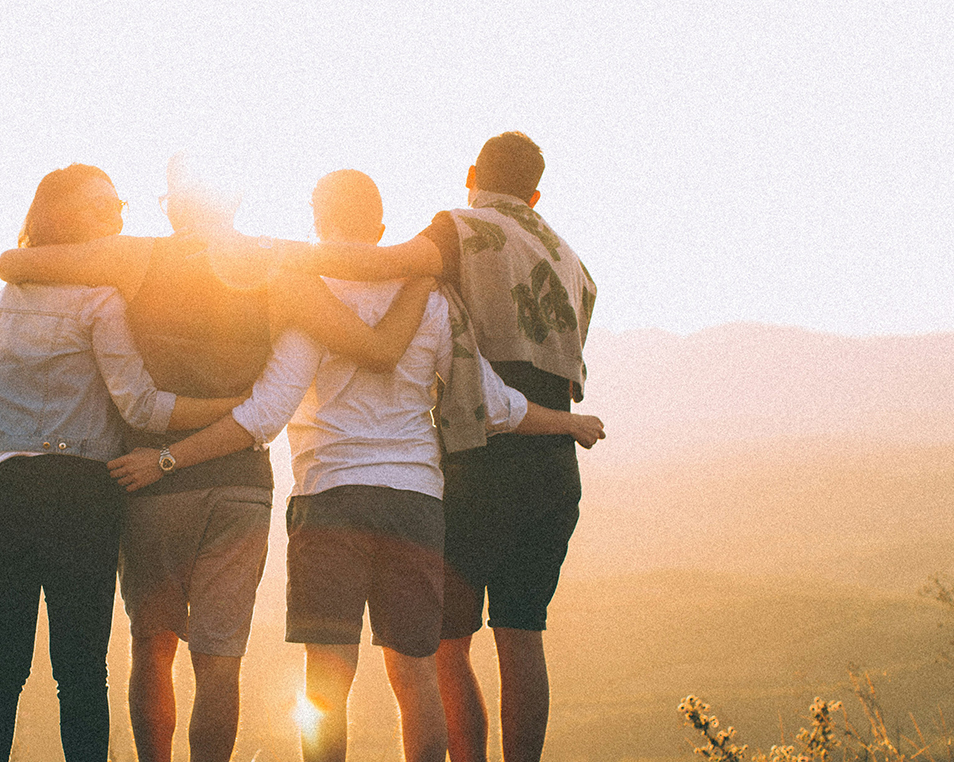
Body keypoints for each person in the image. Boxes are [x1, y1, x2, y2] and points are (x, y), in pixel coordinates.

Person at [107, 169, 603, 762]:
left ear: (317, 220)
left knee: (326, 683)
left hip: (328, 501)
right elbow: (491, 403)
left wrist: (169, 459)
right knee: (415, 678)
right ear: (382, 226)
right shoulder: (434, 300)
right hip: (416, 502)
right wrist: (568, 422)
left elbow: (264, 415)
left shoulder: (310, 298)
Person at [0, 153, 431, 762]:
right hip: (241, 488)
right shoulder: (277, 269)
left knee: (152, 648)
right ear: (233, 200)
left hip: (151, 483)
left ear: (177, 202)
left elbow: (15, 262)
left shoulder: (136, 256)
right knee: (219, 662)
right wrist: (421, 275)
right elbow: (378, 349)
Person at [282, 132, 600, 762]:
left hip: (478, 455)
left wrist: (273, 256)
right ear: (536, 192)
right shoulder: (572, 261)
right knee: (523, 636)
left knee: (445, 646)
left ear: (472, 175)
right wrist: (568, 424)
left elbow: (379, 266)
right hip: (551, 458)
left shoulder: (460, 229)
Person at [0, 164, 243, 762]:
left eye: (118, 201)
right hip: (77, 491)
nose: (117, 213)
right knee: (81, 669)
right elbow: (140, 403)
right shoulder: (100, 299)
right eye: (101, 206)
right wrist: (233, 409)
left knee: (1, 663)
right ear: (67, 217)